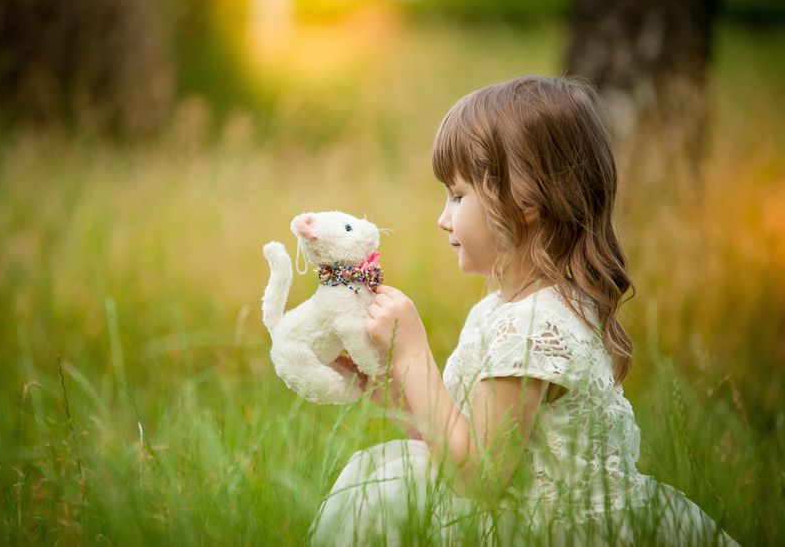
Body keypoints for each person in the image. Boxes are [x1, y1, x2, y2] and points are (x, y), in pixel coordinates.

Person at [306, 76, 739, 546]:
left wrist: (413, 354)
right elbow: (460, 439)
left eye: (457, 195)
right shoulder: (506, 310)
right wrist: (385, 387)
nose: (443, 218)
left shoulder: (534, 328)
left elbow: (480, 477)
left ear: (525, 201)